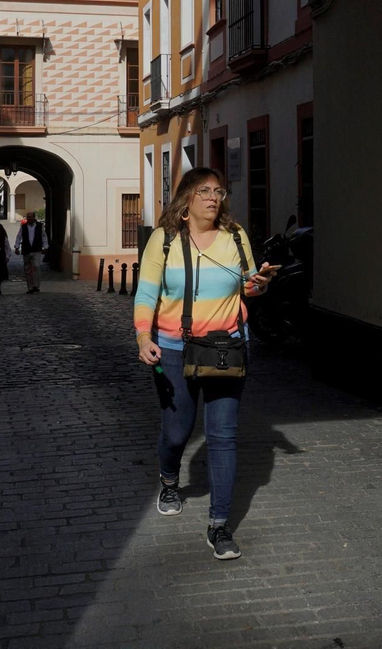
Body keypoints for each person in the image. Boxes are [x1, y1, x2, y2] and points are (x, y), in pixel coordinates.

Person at [134, 168, 277, 560]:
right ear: (186, 201)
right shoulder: (163, 241)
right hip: (174, 349)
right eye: (205, 192)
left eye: (218, 191)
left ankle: (219, 525)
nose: (214, 198)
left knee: (223, 436)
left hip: (226, 349)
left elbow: (246, 284)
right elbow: (146, 294)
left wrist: (258, 283)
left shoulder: (235, 236)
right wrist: (143, 336)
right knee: (177, 432)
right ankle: (168, 478)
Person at [14, 211, 47, 294]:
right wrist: (17, 247)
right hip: (27, 250)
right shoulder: (23, 227)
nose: (29, 218)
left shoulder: (40, 226)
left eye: (31, 217)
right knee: (27, 269)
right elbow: (19, 237)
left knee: (36, 266)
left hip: (37, 250)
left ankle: (36, 285)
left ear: (34, 217)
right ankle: (30, 287)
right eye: (28, 217)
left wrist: (45, 247)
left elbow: (44, 237)